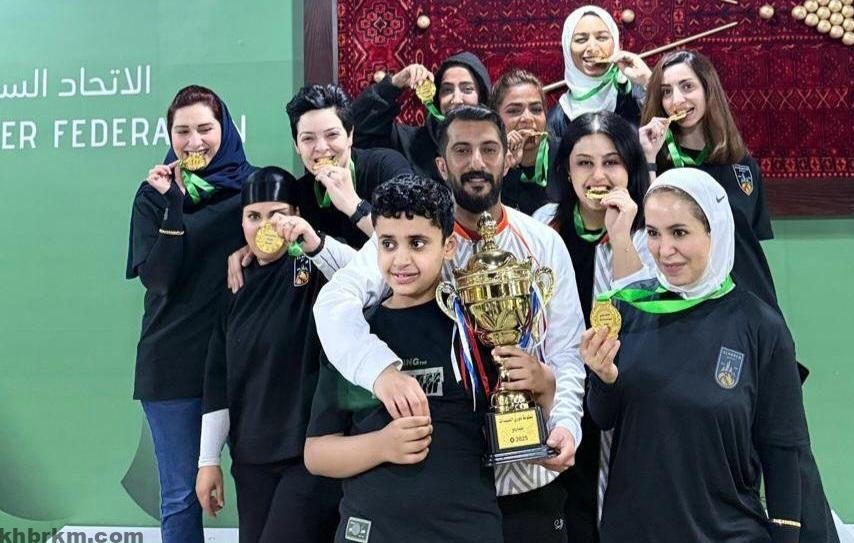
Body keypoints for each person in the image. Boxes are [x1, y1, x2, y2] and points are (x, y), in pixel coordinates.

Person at [312, 105, 586, 543]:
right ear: (442, 165)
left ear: (508, 159)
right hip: (447, 490)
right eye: (462, 150)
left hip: (530, 474)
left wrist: (565, 424)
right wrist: (380, 372)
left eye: (489, 149)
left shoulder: (544, 243)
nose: (476, 161)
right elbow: (334, 304)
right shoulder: (413, 237)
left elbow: (566, 353)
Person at [639, 50, 839, 541]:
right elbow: (648, 237)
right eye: (666, 91)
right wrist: (647, 159)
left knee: (788, 447)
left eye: (687, 87)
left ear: (709, 92)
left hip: (755, 317)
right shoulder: (655, 163)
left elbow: (750, 245)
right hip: (695, 321)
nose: (677, 99)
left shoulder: (742, 166)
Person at [582, 168, 809, 543]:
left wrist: (785, 538)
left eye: (679, 232)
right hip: (633, 532)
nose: (663, 250)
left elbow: (782, 450)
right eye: (653, 233)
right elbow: (603, 418)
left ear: (714, 231)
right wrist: (603, 379)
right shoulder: (631, 308)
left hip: (727, 533)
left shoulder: (760, 327)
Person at [304, 174, 502, 543]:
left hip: (464, 529)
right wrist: (381, 445)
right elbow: (317, 453)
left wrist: (543, 386)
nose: (401, 259)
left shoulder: (476, 328)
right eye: (388, 243)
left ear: (448, 246)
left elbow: (518, 428)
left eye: (417, 243)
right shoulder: (353, 335)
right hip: (371, 531)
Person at [125, 85, 255, 543]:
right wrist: (174, 204)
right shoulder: (153, 195)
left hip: (242, 359)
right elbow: (159, 279)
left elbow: (279, 245)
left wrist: (248, 249)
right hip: (173, 363)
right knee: (181, 497)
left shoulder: (253, 188)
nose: (194, 141)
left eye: (205, 128)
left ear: (226, 129)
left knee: (259, 482)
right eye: (182, 131)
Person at [195, 166, 353, 542]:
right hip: (250, 457)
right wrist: (208, 460)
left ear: (296, 216)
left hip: (309, 455)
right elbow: (218, 377)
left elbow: (369, 276)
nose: (265, 226)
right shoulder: (235, 285)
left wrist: (314, 242)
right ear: (242, 223)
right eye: (254, 216)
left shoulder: (314, 270)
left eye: (277, 214)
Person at [533, 111, 652, 542]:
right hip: (555, 390)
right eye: (584, 163)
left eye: (611, 162)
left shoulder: (648, 233)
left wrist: (620, 236)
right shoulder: (544, 224)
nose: (598, 175)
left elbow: (642, 322)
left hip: (620, 393)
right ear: (567, 170)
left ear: (630, 168)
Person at [227, 84, 412, 293]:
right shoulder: (300, 193)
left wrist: (354, 205)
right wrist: (254, 248)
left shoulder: (385, 167)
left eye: (332, 135)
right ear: (296, 145)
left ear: (350, 135)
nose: (322, 148)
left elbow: (411, 239)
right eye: (308, 138)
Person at [351, 51, 492, 181]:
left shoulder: (495, 150)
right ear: (437, 100)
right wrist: (393, 85)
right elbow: (356, 133)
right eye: (447, 90)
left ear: (482, 99)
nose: (456, 99)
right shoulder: (411, 144)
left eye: (467, 89)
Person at [547, 5, 650, 139]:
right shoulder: (557, 120)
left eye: (602, 38)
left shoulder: (637, 92)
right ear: (567, 49)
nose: (593, 47)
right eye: (581, 40)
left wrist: (648, 80)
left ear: (615, 43)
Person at [491, 69, 561, 215]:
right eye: (514, 111)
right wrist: (505, 167)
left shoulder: (566, 155)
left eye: (536, 109)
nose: (527, 118)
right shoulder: (487, 164)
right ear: (496, 119)